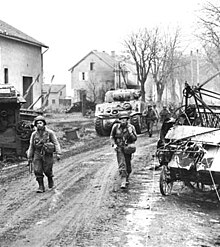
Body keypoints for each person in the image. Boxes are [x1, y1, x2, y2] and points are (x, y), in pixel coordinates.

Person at [27, 115, 61, 193]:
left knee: (47, 169)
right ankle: (41, 186)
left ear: (44, 123)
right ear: (35, 125)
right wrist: (29, 157)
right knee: (37, 170)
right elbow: (31, 146)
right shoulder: (34, 134)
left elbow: (56, 143)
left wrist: (58, 153)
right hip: (37, 153)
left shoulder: (50, 133)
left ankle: (50, 179)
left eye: (41, 123)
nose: (39, 124)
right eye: (37, 123)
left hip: (47, 154)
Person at [110, 112, 137, 189]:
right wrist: (114, 144)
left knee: (128, 165)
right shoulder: (115, 127)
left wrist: (130, 132)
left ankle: (127, 177)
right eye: (121, 119)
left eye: (125, 119)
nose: (123, 121)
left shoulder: (131, 127)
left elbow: (135, 139)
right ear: (119, 120)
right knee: (122, 164)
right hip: (119, 148)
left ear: (127, 120)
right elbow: (112, 137)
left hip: (127, 148)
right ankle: (123, 181)